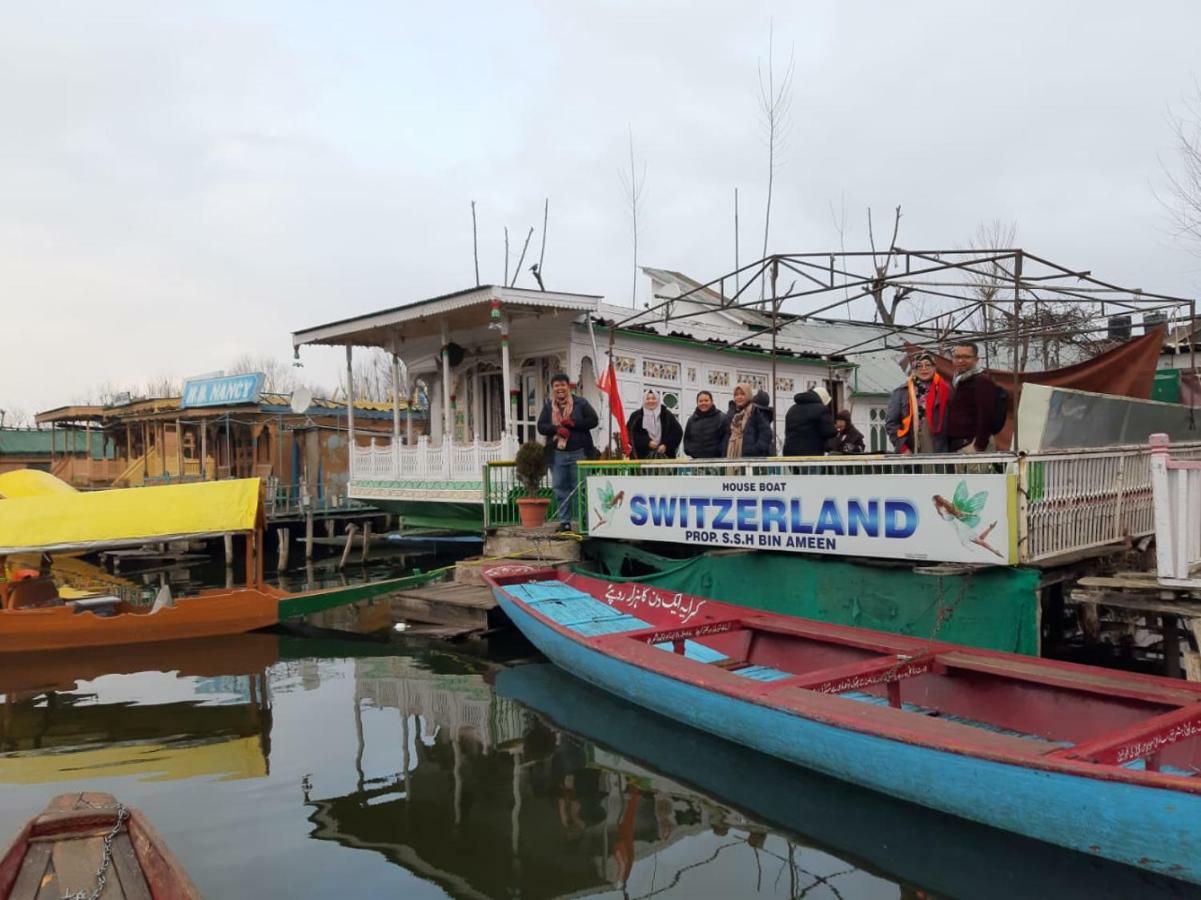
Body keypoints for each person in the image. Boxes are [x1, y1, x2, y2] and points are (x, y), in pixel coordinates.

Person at [536, 373, 599, 529]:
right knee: (560, 489)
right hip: (557, 455)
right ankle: (565, 523)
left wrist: (573, 423)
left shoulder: (581, 403)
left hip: (580, 453)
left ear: (568, 386)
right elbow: (541, 426)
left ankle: (586, 522)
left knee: (582, 489)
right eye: (556, 385)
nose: (560, 388)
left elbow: (594, 420)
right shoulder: (548, 406)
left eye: (562, 385)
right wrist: (556, 428)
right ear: (553, 388)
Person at [885, 351, 951, 454]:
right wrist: (903, 447)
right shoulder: (901, 393)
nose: (924, 369)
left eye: (928, 365)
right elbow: (892, 424)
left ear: (934, 368)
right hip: (911, 447)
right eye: (919, 366)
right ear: (914, 370)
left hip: (941, 447)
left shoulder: (946, 390)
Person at [944, 342, 997, 454]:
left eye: (966, 357)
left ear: (976, 360)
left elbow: (987, 415)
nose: (960, 361)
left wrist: (978, 446)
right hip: (957, 446)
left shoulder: (982, 381)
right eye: (957, 357)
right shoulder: (957, 382)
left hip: (972, 446)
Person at [626, 389, 682, 459]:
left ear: (658, 400)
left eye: (653, 398)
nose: (651, 401)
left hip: (665, 457)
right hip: (641, 457)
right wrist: (647, 442)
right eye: (648, 399)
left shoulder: (667, 415)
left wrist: (666, 445)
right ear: (644, 400)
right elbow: (630, 434)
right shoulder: (636, 416)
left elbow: (677, 432)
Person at [782, 386, 836, 456]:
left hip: (789, 453)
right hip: (810, 454)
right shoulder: (821, 409)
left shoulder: (792, 409)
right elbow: (829, 431)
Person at [725, 383, 773, 458]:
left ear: (748, 395)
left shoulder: (756, 411)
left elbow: (766, 434)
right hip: (734, 456)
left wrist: (754, 451)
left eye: (742, 394)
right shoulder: (734, 415)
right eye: (736, 395)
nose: (739, 397)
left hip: (753, 460)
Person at [683, 390, 728, 459]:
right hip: (696, 461)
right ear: (697, 403)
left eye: (706, 400)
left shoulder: (721, 417)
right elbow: (687, 439)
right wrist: (689, 451)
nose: (703, 403)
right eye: (700, 401)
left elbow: (725, 439)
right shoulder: (691, 420)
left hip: (717, 461)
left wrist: (719, 452)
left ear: (712, 402)